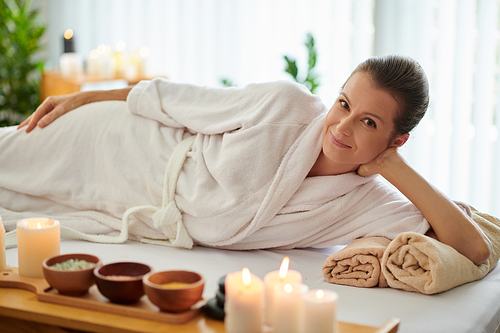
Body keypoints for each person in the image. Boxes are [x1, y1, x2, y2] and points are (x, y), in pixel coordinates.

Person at [2, 54, 491, 265]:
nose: (341, 127)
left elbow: (473, 249)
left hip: (130, 205)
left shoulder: (367, 200)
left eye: (369, 123)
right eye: (344, 104)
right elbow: (170, 99)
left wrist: (396, 170)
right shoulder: (286, 104)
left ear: (396, 140)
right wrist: (86, 99)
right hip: (123, 144)